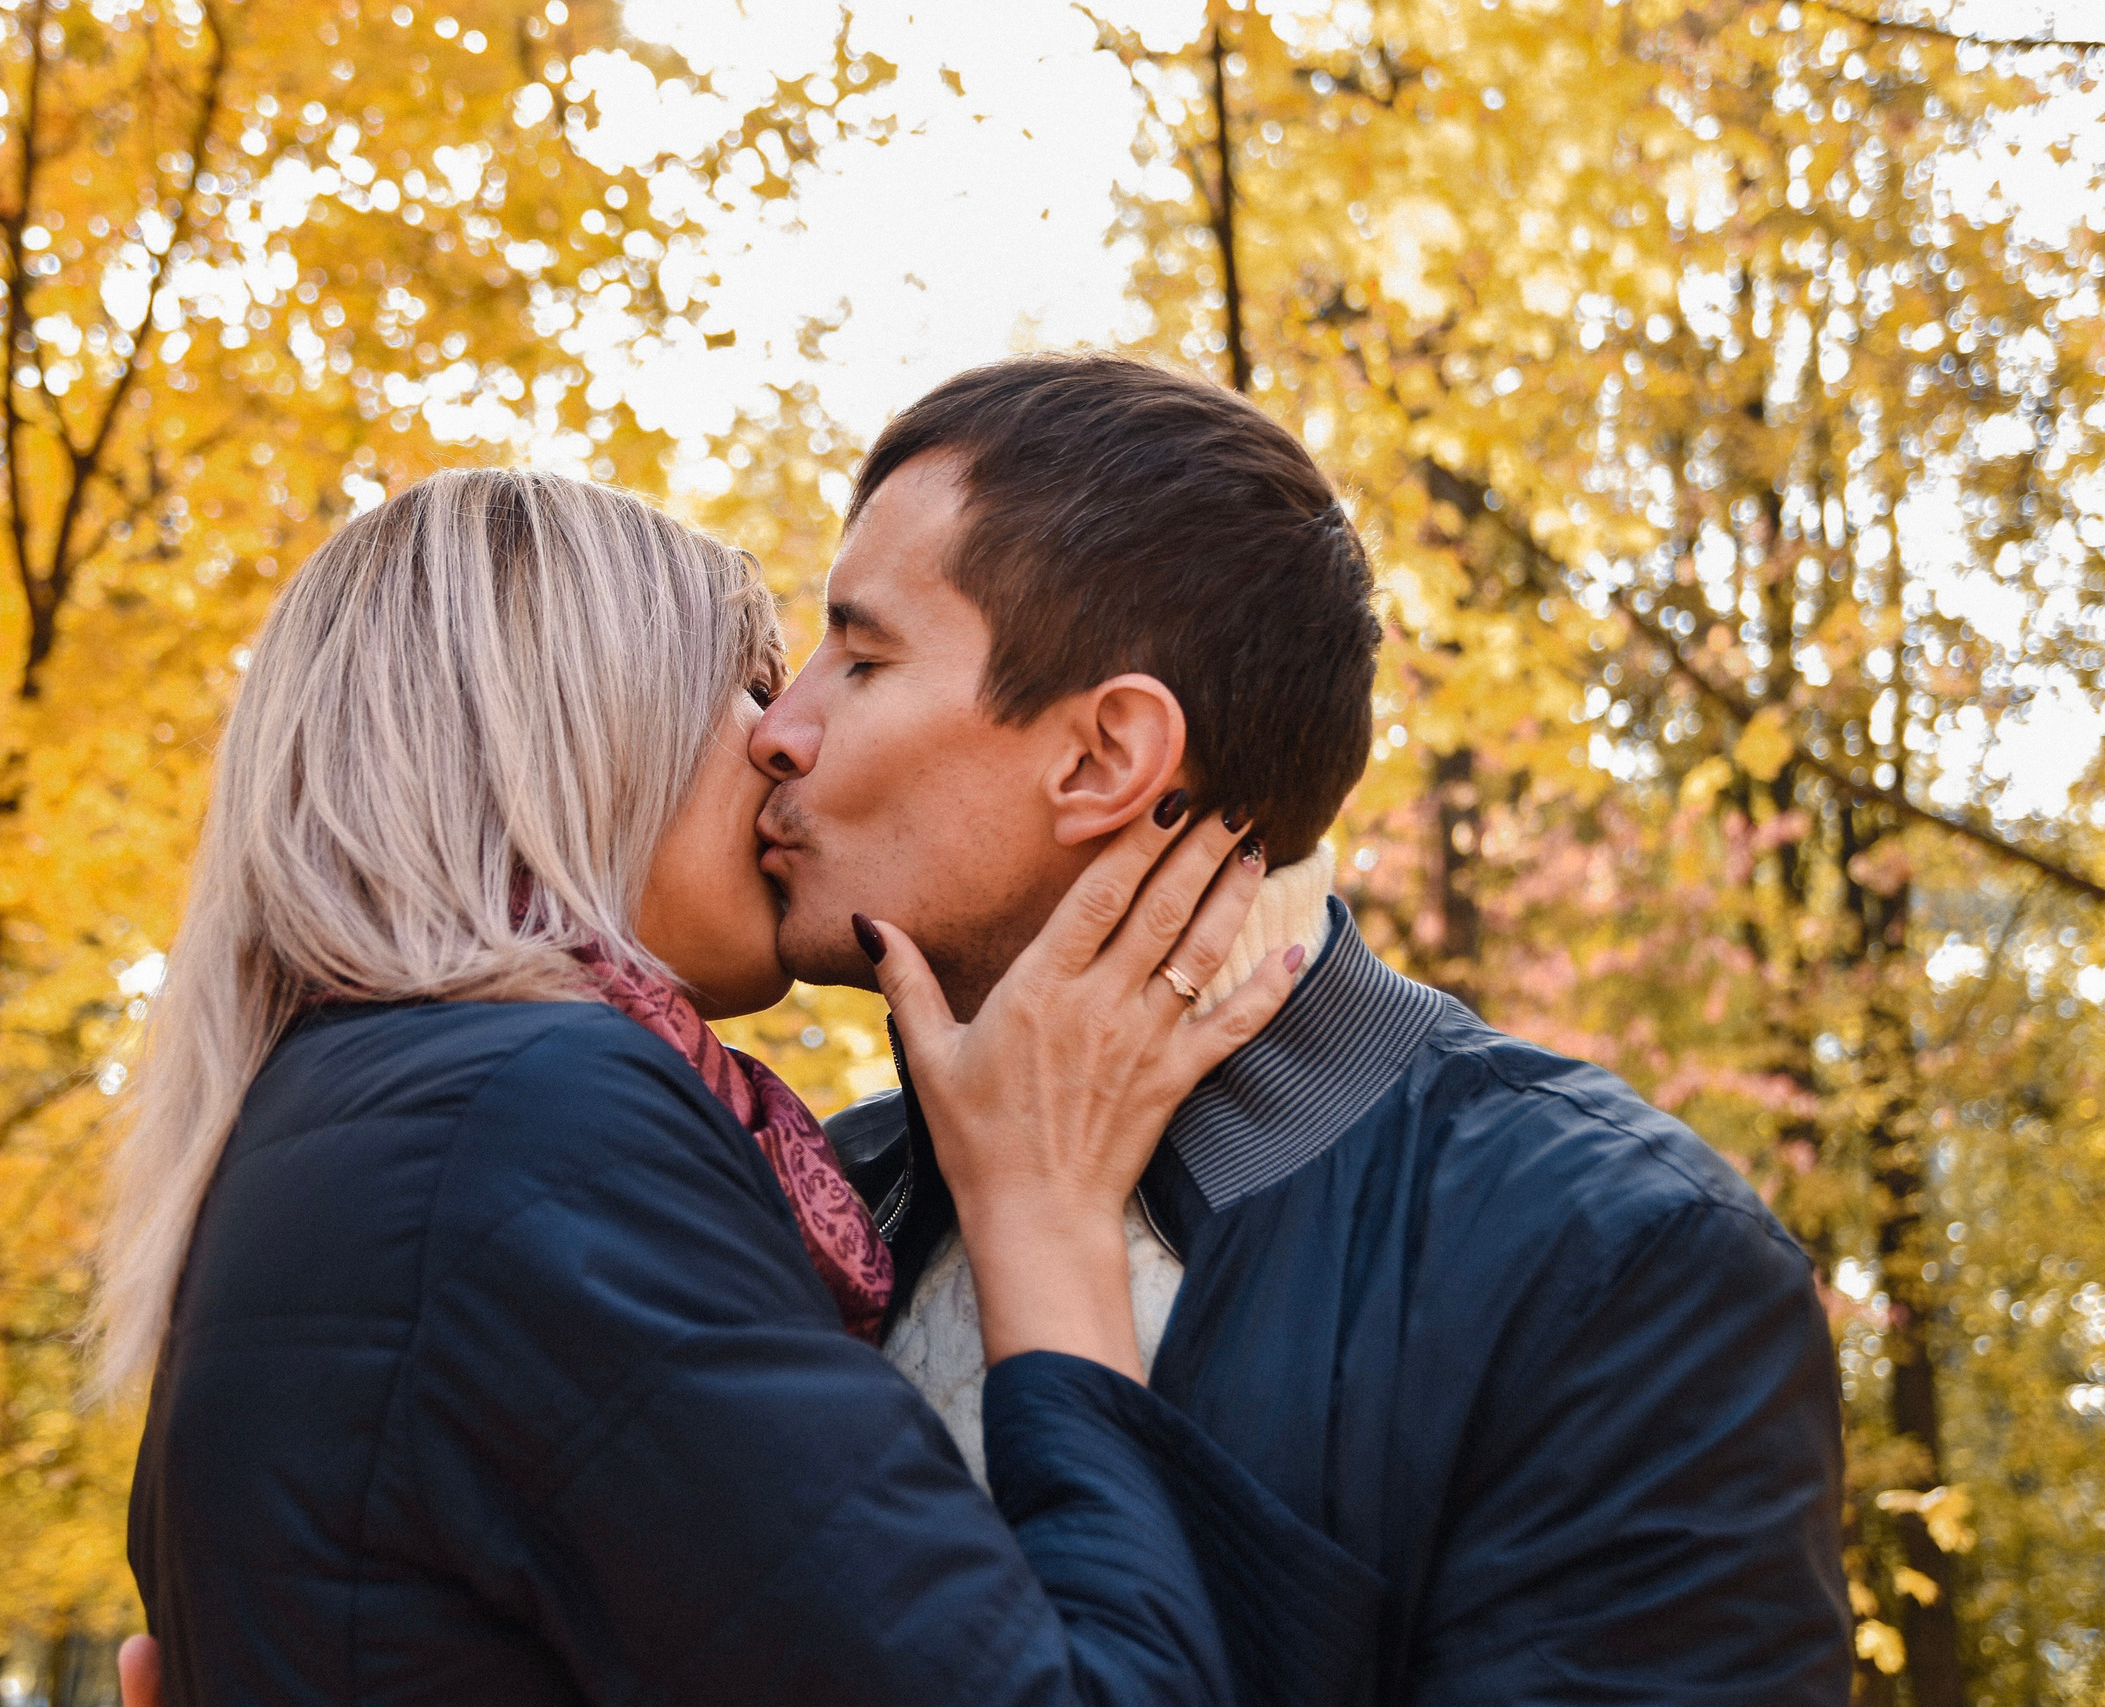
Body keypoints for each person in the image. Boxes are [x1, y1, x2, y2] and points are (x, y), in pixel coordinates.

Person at [95, 467, 1312, 1706]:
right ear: (570, 727)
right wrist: (1042, 1217)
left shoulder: (342, 1118)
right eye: (742, 686)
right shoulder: (536, 1121)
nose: (781, 741)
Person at [759, 353, 1853, 1703]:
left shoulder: (1619, 1262)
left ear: (1105, 757)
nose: (776, 727)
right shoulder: (796, 1211)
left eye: (860, 657)